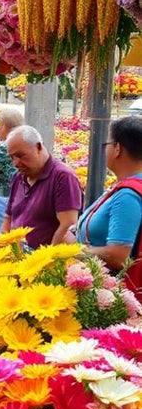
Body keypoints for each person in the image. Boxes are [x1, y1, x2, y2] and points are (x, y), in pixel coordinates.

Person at [74, 115, 142, 293]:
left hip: (111, 297)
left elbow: (118, 255)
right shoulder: (126, 188)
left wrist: (73, 251)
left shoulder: (128, 195)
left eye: (107, 145)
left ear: (117, 149)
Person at [2, 125, 82, 248]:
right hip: (16, 260)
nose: (15, 163)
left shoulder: (63, 176)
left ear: (38, 147)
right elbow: (8, 218)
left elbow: (68, 226)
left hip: (46, 262)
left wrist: (46, 259)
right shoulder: (18, 177)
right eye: (12, 157)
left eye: (20, 155)